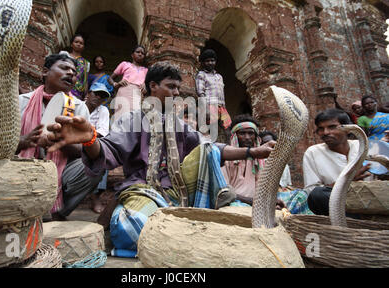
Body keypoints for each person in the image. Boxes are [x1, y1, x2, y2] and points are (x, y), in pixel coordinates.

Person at [43, 61, 276, 257]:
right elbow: (107, 153)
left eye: (178, 88)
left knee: (207, 151)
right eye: (171, 87)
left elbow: (213, 148)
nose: (177, 93)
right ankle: (187, 232)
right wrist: (90, 139)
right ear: (153, 86)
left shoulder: (180, 126)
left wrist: (253, 152)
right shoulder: (132, 119)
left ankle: (190, 222)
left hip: (178, 191)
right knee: (130, 228)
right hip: (143, 190)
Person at [17, 53, 103, 221]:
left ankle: (56, 212)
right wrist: (25, 140)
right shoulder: (22, 101)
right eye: (64, 68)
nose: (71, 73)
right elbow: (0, 144)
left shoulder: (79, 108)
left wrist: (62, 141)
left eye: (73, 71)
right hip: (19, 170)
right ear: (45, 72)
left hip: (60, 173)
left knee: (97, 163)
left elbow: (81, 152)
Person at [303, 108, 372, 215]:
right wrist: (346, 180)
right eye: (321, 129)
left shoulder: (363, 146)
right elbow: (311, 191)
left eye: (332, 127)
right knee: (317, 195)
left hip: (370, 199)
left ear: (348, 129)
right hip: (338, 204)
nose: (325, 132)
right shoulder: (312, 152)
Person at [221, 115, 285, 209]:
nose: (247, 137)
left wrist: (271, 202)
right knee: (235, 207)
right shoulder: (225, 159)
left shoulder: (261, 161)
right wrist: (252, 201)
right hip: (236, 202)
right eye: (242, 133)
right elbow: (224, 193)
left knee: (300, 196)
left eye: (251, 133)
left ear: (255, 136)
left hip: (258, 203)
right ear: (234, 136)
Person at [85, 81, 112, 213]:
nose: (99, 98)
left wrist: (85, 136)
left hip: (92, 144)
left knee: (103, 156)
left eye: (102, 96)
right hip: (73, 144)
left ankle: (95, 196)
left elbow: (102, 132)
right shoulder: (77, 107)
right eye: (96, 94)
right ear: (88, 94)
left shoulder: (103, 110)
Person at [195, 49, 232, 136]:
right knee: (210, 129)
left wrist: (224, 108)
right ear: (203, 63)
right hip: (209, 105)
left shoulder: (219, 76)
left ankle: (230, 147)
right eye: (207, 61)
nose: (210, 63)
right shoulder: (201, 74)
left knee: (228, 128)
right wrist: (205, 108)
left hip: (221, 107)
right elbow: (200, 92)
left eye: (212, 60)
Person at [108, 45, 148, 122]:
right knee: (120, 116)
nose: (140, 54)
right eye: (138, 52)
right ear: (132, 55)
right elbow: (110, 78)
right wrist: (116, 84)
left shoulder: (146, 70)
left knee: (134, 119)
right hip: (124, 91)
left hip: (138, 94)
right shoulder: (125, 64)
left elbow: (149, 84)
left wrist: (145, 85)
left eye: (142, 53)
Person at [60, 34, 90, 101]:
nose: (78, 44)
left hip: (77, 94)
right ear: (71, 44)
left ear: (83, 47)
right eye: (76, 42)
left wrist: (86, 94)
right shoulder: (64, 55)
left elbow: (85, 80)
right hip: (62, 88)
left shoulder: (86, 63)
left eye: (81, 43)